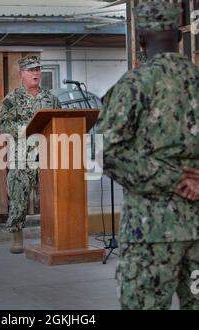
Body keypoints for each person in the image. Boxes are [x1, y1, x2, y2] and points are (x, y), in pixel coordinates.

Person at [96, 1, 199, 310]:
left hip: (151, 231)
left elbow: (105, 151)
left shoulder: (135, 84)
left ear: (140, 35)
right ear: (179, 34)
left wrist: (174, 178)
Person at [0, 55, 61, 254]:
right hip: (22, 154)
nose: (35, 73)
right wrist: (27, 128)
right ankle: (17, 238)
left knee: (52, 196)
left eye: (38, 70)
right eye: (31, 70)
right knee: (19, 196)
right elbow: (4, 125)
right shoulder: (12, 99)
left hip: (46, 154)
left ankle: (53, 236)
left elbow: (59, 120)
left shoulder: (50, 98)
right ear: (21, 74)